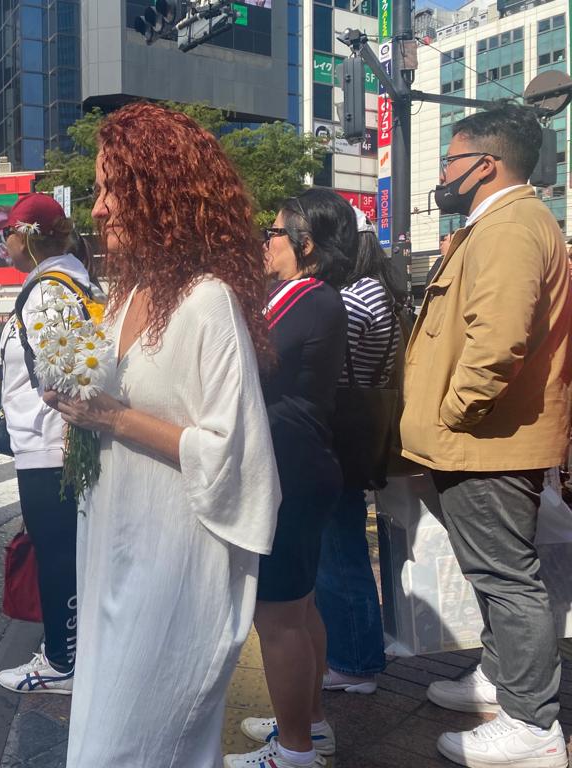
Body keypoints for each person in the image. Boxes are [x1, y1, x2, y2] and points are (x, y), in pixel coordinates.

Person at [46, 103, 280, 768]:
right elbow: (106, 401)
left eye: (112, 190)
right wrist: (74, 404)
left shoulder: (207, 302)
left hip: (175, 561)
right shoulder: (124, 298)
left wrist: (113, 419)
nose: (98, 209)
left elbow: (235, 452)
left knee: (132, 743)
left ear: (160, 191)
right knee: (105, 729)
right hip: (111, 548)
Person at [401, 104, 570, 767]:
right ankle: (503, 683)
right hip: (478, 440)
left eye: (450, 159)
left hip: (486, 442)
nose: (443, 173)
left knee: (507, 578)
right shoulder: (503, 224)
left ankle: (532, 725)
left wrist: (455, 415)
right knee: (495, 572)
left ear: (486, 165)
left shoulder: (509, 228)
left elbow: (496, 343)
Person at [230, 189, 352, 768]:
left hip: (290, 470)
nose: (265, 242)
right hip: (305, 466)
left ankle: (295, 750)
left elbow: (239, 361)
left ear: (305, 243)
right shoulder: (315, 297)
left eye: (273, 233)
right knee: (300, 610)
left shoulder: (304, 297)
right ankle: (310, 726)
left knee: (277, 616)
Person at [0, 193, 98, 699]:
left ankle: (61, 661)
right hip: (59, 442)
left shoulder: (48, 292)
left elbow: (65, 375)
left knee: (56, 556)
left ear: (28, 237)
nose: (2, 244)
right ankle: (71, 652)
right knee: (66, 553)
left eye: (6, 234)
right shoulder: (72, 281)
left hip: (49, 443)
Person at [314, 208, 405, 696]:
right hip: (359, 430)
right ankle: (358, 651)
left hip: (337, 434)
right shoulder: (381, 292)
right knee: (344, 545)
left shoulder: (352, 298)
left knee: (339, 549)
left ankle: (352, 660)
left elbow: (320, 360)